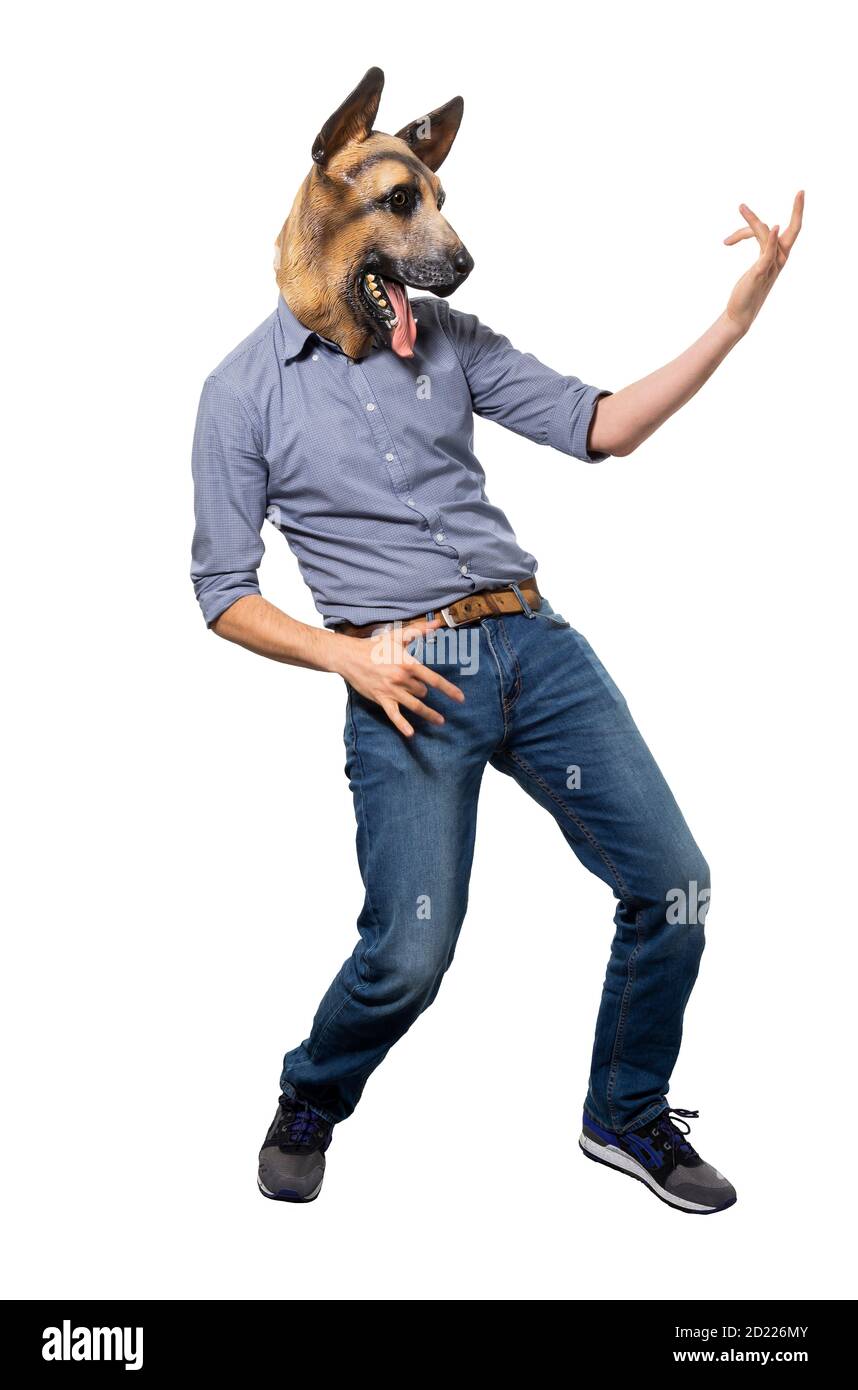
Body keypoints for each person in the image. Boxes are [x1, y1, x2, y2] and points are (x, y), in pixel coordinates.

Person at [190, 67, 803, 1212]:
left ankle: (623, 1111)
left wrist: (733, 318)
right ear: (330, 199)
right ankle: (311, 1091)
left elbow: (599, 425)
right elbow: (222, 590)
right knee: (408, 954)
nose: (437, 244)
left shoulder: (445, 340)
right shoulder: (240, 394)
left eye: (431, 203)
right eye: (402, 208)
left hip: (532, 646)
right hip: (406, 680)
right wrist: (347, 656)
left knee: (672, 885)